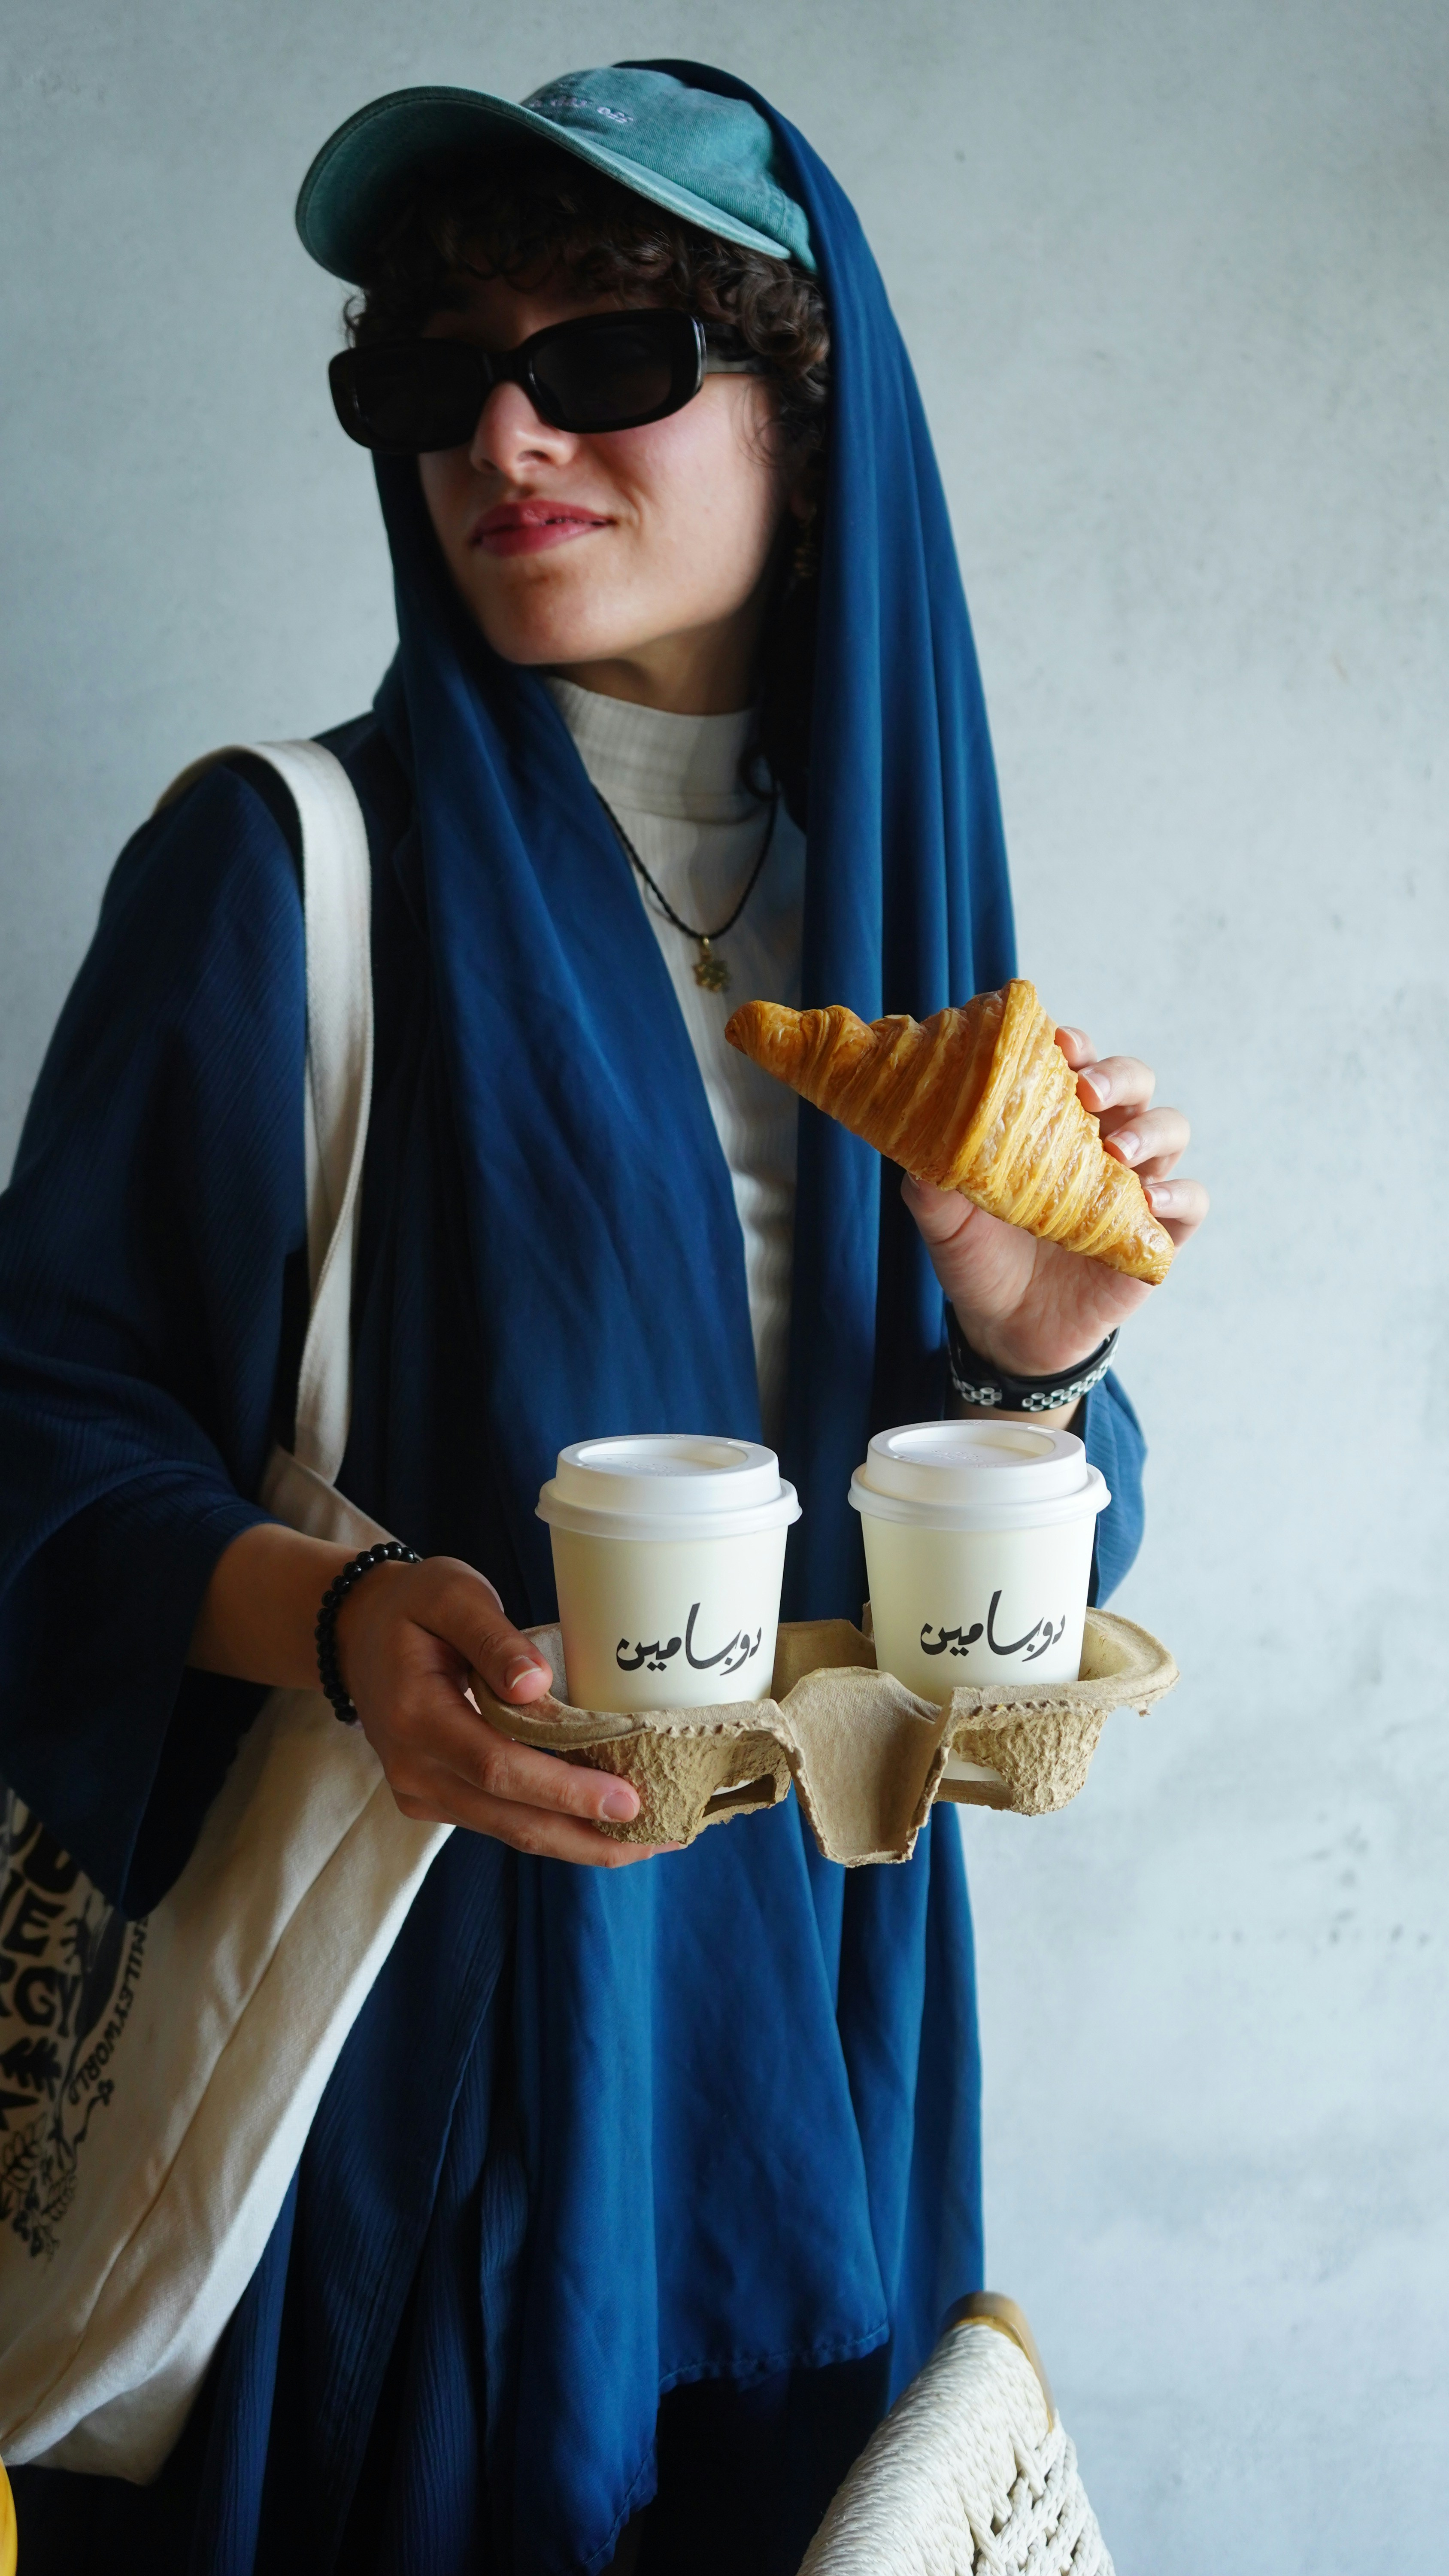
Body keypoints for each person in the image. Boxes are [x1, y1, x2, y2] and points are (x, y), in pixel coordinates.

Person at [0, 60, 1206, 2576]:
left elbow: (992, 1629)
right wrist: (344, 1624)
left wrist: (1038, 1360)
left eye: (616, 355)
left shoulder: (907, 967)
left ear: (803, 406)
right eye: (435, 376)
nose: (508, 431)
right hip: (419, 2070)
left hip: (822, 2050)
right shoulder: (285, 872)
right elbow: (35, 1429)